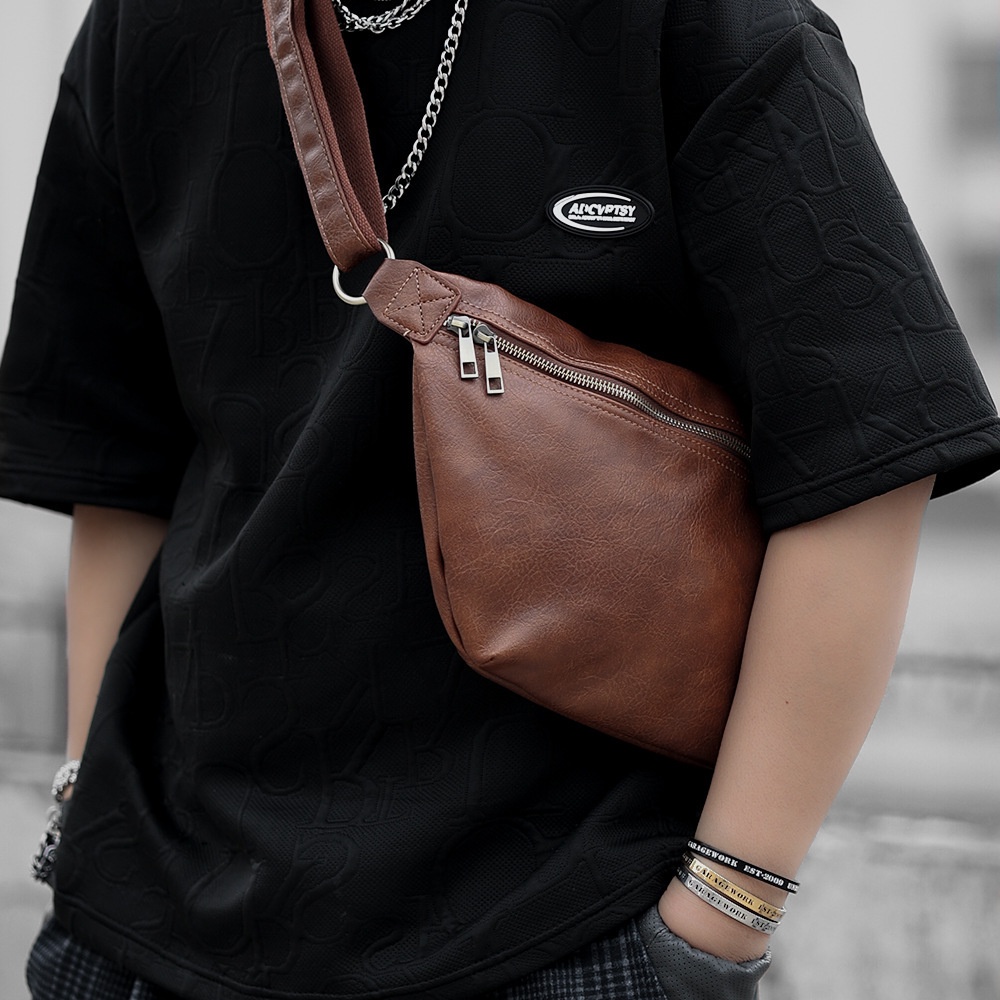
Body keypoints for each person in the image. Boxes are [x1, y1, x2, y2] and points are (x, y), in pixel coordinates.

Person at [3, 0, 999, 998]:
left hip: (557, 928)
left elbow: (869, 443)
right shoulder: (143, 24)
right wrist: (85, 804)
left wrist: (717, 918)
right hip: (148, 926)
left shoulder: (694, 20)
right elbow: (117, 467)